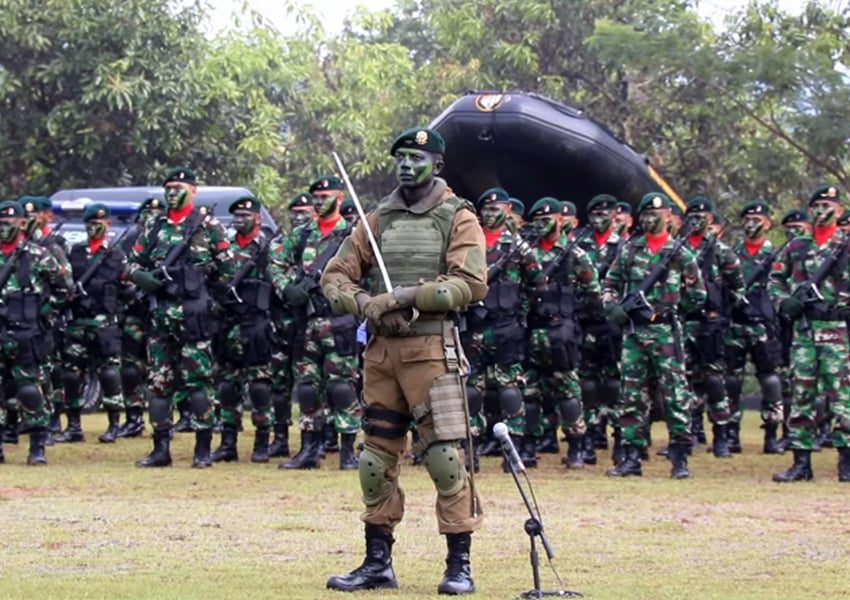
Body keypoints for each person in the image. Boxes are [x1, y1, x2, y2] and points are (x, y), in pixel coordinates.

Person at [322, 127, 486, 594]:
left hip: (432, 350)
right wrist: (365, 303)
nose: (406, 165)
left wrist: (409, 296)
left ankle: (459, 565)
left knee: (444, 457)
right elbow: (335, 275)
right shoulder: (378, 218)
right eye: (400, 158)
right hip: (381, 354)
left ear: (436, 163)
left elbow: (471, 284)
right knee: (374, 459)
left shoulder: (457, 216)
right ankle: (378, 563)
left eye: (417, 157)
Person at [129, 167, 234, 468]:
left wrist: (203, 284)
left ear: (193, 191)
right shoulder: (153, 226)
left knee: (198, 383)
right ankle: (160, 449)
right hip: (161, 315)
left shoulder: (209, 226)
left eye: (179, 187)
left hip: (195, 317)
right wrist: (141, 276)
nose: (173, 192)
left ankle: (203, 450)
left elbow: (228, 271)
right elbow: (131, 261)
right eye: (169, 188)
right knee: (159, 383)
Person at [603, 193, 705, 478]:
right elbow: (610, 283)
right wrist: (614, 308)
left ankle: (680, 458)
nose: (651, 219)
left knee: (675, 395)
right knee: (631, 396)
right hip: (635, 334)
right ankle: (631, 457)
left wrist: (669, 313)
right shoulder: (630, 250)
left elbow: (698, 295)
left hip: (666, 335)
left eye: (657, 214)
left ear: (669, 217)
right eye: (646, 214)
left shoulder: (680, 253)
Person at [269, 176, 361, 471]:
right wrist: (286, 288)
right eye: (316, 197)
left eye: (325, 196)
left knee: (342, 388)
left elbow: (371, 274)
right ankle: (309, 449)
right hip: (307, 324)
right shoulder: (302, 234)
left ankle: (347, 451)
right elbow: (275, 261)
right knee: (308, 387)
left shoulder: (353, 235)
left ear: (339, 197)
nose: (319, 202)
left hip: (340, 322)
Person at [768, 186, 850, 482]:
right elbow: (775, 280)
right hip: (804, 330)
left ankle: (846, 461)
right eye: (816, 205)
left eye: (828, 205)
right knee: (801, 395)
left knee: (843, 397)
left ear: (839, 211)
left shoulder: (846, 244)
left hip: (835, 330)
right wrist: (783, 302)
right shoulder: (796, 247)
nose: (821, 210)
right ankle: (801, 462)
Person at [466, 187, 543, 471]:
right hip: (474, 329)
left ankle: (513, 450)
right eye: (486, 209)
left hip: (506, 329)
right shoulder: (468, 244)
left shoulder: (519, 248)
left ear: (508, 211)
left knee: (509, 391)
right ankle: (470, 449)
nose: (491, 214)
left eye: (497, 209)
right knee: (471, 392)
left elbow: (537, 284)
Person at [524, 197, 600, 468]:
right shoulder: (525, 252)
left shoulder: (574, 253)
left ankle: (577, 446)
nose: (542, 226)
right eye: (537, 222)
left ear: (559, 220)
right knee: (529, 393)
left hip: (562, 333)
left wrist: (572, 315)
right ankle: (528, 446)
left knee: (568, 391)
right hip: (532, 331)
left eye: (547, 220)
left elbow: (593, 293)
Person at [0, 200, 72, 465]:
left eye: (9, 222)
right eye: (0, 223)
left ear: (21, 223)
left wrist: (47, 312)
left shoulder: (37, 254)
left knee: (30, 389)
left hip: (27, 332)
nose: (4, 227)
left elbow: (65, 288)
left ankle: (37, 447)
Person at [211, 196, 276, 463]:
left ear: (257, 219)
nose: (239, 221)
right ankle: (228, 442)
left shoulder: (269, 248)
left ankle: (262, 441)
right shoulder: (223, 248)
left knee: (259, 386)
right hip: (228, 324)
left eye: (245, 216)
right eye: (236, 216)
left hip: (257, 324)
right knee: (227, 386)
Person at [681, 196, 744, 457]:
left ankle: (721, 434)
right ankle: (693, 431)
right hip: (683, 322)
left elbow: (738, 290)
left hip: (712, 324)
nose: (696, 221)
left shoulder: (721, 251)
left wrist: (721, 313)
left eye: (702, 217)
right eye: (692, 216)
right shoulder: (678, 248)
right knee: (684, 381)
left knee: (715, 380)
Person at [62, 204, 131, 443]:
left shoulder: (116, 254)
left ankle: (114, 424)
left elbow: (127, 287)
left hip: (105, 324)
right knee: (71, 375)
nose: (94, 228)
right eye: (90, 224)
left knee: (109, 373)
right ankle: (73, 426)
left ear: (108, 224)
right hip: (78, 321)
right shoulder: (76, 252)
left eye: (99, 224)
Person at [724, 200, 784, 454]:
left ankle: (771, 434)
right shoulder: (732, 253)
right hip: (735, 324)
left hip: (763, 325)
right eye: (747, 220)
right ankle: (731, 434)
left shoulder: (777, 255)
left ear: (768, 224)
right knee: (731, 381)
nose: (751, 224)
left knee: (769, 379)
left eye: (757, 220)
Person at [576, 194, 626, 464]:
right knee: (588, 383)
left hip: (614, 325)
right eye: (594, 212)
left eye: (604, 212)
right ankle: (592, 437)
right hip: (586, 323)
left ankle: (620, 437)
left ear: (614, 214)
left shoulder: (625, 247)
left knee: (614, 383)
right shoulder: (578, 246)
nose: (599, 217)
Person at [116, 197, 164, 439]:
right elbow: (122, 270)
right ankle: (134, 417)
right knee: (130, 367)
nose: (151, 217)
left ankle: (180, 416)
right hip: (135, 309)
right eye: (148, 212)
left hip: (165, 311)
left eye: (157, 212)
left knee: (168, 367)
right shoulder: (131, 239)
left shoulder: (172, 236)